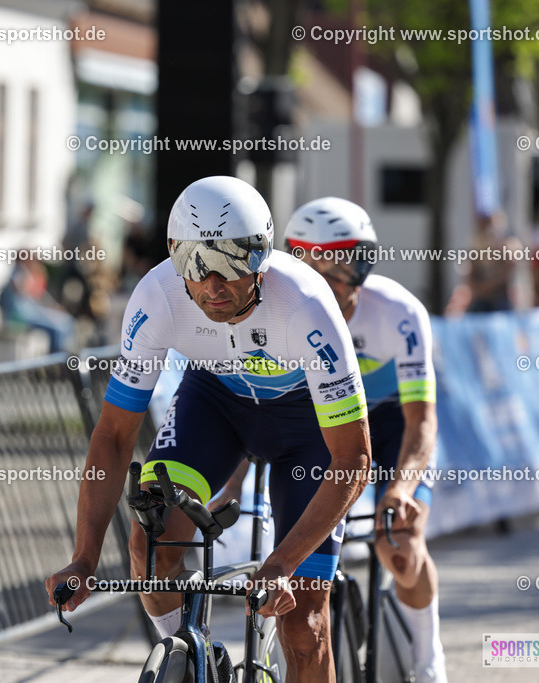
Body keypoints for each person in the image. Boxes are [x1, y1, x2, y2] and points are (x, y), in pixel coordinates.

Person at [46, 176, 371, 681]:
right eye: (194, 266)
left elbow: (354, 459)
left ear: (261, 257)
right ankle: (191, 661)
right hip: (216, 405)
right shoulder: (156, 296)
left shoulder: (306, 304)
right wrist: (84, 559)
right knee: (149, 544)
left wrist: (283, 561)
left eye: (228, 264)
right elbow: (113, 436)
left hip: (308, 429)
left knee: (305, 625)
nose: (211, 285)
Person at [280, 197, 447, 682]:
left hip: (394, 423)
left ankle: (427, 657)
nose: (328, 280)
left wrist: (399, 488)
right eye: (309, 262)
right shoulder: (287, 314)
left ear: (364, 263)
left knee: (399, 543)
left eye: (341, 264)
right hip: (327, 423)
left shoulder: (400, 312)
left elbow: (421, 420)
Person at [0, 252, 75, 353]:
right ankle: (56, 359)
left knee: (67, 321)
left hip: (34, 311)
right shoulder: (19, 272)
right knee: (57, 329)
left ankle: (66, 355)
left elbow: (40, 298)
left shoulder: (28, 273)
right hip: (23, 316)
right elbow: (21, 294)